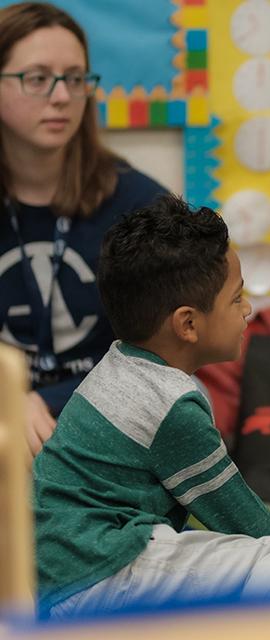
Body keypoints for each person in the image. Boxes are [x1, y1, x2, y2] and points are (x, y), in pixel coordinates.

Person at [33, 195, 270, 619]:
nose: (249, 310)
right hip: (99, 571)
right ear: (188, 324)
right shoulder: (172, 407)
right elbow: (243, 520)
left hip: (54, 574)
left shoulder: (117, 363)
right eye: (236, 299)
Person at [0, 2, 167, 458]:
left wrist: (49, 399)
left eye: (75, 79)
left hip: (106, 418)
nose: (60, 97)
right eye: (37, 78)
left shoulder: (140, 206)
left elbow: (166, 351)